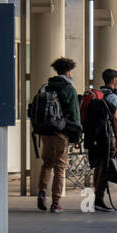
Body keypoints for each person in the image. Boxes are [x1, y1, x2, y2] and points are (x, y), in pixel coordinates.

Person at [33, 57, 82, 213]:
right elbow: (75, 114)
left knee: (46, 163)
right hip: (61, 133)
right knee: (60, 167)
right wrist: (76, 136)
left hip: (45, 132)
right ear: (68, 72)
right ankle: (55, 202)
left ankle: (41, 192)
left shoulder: (47, 87)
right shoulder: (69, 89)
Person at [84, 68, 117, 211]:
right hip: (106, 138)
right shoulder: (113, 97)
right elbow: (115, 120)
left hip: (95, 136)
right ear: (114, 80)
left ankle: (97, 197)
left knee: (98, 167)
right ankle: (99, 199)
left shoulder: (98, 95)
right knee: (104, 167)